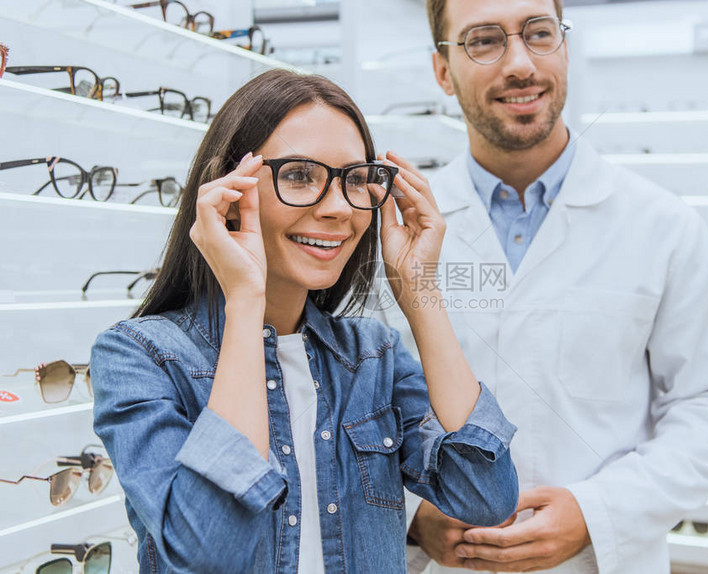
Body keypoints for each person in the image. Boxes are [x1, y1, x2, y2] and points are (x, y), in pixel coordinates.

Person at [89, 69, 519, 573]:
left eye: (356, 180)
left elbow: (485, 496)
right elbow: (210, 550)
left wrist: (420, 292)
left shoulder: (371, 356)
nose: (339, 208)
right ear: (229, 191)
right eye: (298, 176)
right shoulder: (139, 356)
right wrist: (245, 300)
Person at [386, 0, 708, 572]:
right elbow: (356, 406)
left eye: (539, 33)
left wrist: (597, 513)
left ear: (564, 46)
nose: (520, 63)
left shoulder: (662, 227)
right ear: (442, 70)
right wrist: (413, 511)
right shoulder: (393, 235)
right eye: (483, 41)